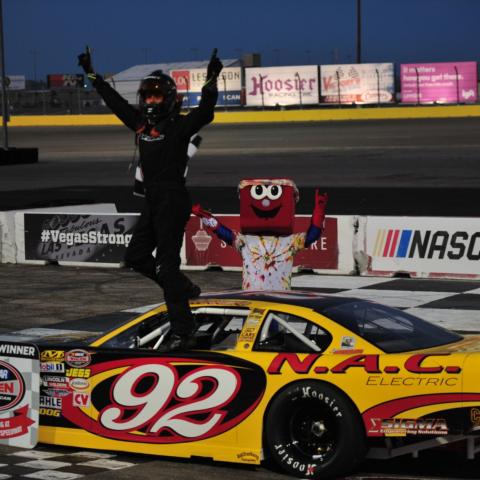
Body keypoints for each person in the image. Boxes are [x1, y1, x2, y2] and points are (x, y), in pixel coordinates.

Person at [78, 46, 223, 350]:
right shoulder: (141, 125)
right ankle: (183, 286)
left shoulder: (180, 126)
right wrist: (93, 76)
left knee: (166, 267)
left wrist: (211, 82)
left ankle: (186, 332)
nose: (151, 100)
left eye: (157, 96)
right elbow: (114, 102)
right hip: (153, 201)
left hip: (172, 201)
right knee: (135, 257)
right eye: (147, 96)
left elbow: (206, 112)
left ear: (168, 99)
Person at [192, 178, 328, 290]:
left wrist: (319, 210)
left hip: (278, 305)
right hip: (258, 304)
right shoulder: (248, 241)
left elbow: (222, 232)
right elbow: (222, 232)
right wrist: (204, 216)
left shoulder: (286, 242)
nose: (266, 202)